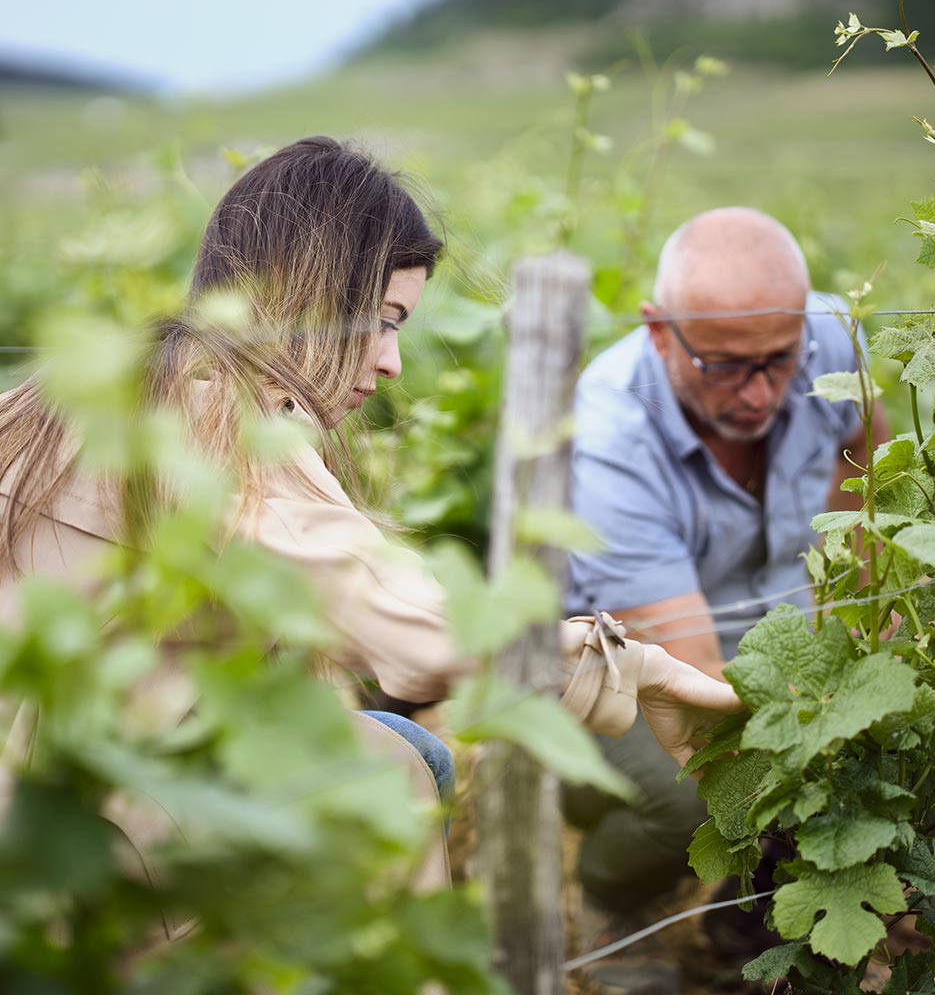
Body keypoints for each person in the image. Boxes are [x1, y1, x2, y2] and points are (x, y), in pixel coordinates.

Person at [0, 138, 742, 888]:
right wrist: (640, 668)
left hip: (43, 809)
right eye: (383, 319)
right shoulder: (226, 427)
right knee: (394, 766)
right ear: (311, 293)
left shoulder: (54, 399)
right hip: (90, 854)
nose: (390, 361)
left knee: (380, 735)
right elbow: (426, 640)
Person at [564, 207, 889, 988]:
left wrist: (863, 644)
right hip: (624, 667)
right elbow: (694, 680)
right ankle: (608, 898)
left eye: (779, 361)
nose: (758, 394)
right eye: (724, 366)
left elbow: (866, 476)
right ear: (659, 330)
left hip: (771, 639)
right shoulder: (609, 429)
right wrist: (816, 730)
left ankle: (744, 918)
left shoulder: (831, 337)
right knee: (703, 795)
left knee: (880, 741)